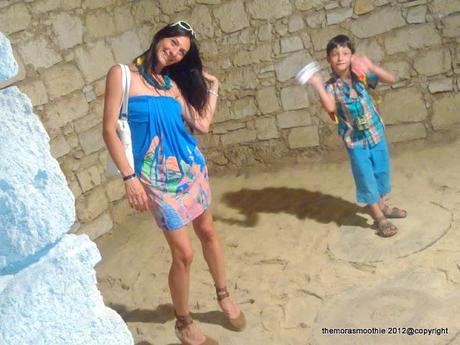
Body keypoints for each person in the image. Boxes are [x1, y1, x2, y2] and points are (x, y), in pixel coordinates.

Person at [102, 21, 245, 345]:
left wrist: (214, 87)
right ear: (159, 38)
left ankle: (223, 295)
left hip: (191, 168)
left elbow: (203, 124)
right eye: (173, 43)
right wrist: (129, 178)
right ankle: (184, 323)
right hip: (155, 180)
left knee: (208, 231)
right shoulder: (123, 75)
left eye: (182, 51)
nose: (175, 51)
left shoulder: (172, 85)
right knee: (183, 253)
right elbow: (109, 129)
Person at [307, 34, 407, 237]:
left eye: (345, 52)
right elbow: (330, 107)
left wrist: (371, 65)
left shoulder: (361, 75)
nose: (340, 57)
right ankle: (379, 217)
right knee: (366, 176)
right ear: (328, 59)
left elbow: (391, 79)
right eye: (335, 54)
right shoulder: (331, 87)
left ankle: (383, 206)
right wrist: (317, 85)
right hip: (355, 141)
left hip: (376, 133)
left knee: (380, 172)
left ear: (352, 55)